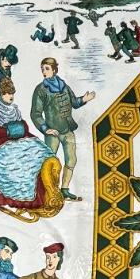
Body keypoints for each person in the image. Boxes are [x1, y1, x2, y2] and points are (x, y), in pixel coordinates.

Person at [0, 77, 62, 215]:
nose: (10, 96)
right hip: (0, 143)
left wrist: (20, 128)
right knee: (17, 162)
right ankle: (25, 197)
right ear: (0, 95)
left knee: (37, 152)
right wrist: (8, 131)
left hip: (20, 139)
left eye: (12, 93)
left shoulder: (13, 109)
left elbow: (24, 125)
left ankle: (46, 189)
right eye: (7, 94)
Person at [30, 57, 95, 203]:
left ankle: (64, 190)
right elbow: (35, 113)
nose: (44, 72)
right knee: (49, 162)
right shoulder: (41, 89)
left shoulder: (64, 86)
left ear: (54, 70)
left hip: (67, 130)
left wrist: (84, 99)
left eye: (47, 69)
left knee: (71, 160)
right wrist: (45, 129)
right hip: (52, 133)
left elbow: (74, 103)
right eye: (42, 69)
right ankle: (48, 191)